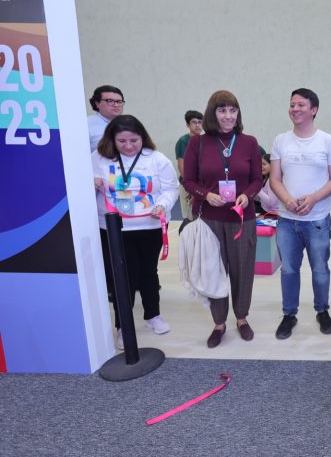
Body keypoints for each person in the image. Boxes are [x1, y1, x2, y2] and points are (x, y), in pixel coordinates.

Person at [182, 90, 263, 348]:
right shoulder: (198, 143)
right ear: (212, 113)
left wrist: (247, 196)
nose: (228, 115)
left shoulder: (249, 142)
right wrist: (205, 195)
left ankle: (241, 318)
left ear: (238, 113)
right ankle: (219, 323)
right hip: (209, 219)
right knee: (213, 271)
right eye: (222, 110)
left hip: (242, 217)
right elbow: (189, 180)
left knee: (242, 271)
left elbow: (257, 180)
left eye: (232, 110)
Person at [92, 115, 178, 349]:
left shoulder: (157, 159)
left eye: (134, 140)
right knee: (123, 278)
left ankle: (152, 315)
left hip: (149, 226)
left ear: (143, 137)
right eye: (122, 141)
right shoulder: (98, 159)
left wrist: (163, 204)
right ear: (112, 139)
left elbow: (170, 188)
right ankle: (123, 326)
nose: (128, 146)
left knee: (149, 272)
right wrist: (93, 183)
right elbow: (81, 185)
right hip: (114, 228)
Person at [270, 88, 331, 340]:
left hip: (318, 220)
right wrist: (287, 200)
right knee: (289, 269)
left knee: (320, 268)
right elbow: (275, 178)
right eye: (292, 104)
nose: (295, 109)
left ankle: (322, 310)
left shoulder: (327, 140)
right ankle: (289, 314)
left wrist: (313, 199)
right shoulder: (280, 140)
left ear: (313, 110)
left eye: (301, 105)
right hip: (287, 220)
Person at [175, 110, 204, 222]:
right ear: (188, 125)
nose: (197, 125)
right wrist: (192, 189)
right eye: (194, 122)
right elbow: (182, 167)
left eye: (200, 122)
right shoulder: (183, 141)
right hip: (189, 186)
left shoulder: (204, 140)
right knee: (190, 217)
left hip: (202, 186)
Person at [87, 85, 125, 152]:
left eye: (119, 102)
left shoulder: (128, 124)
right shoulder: (86, 124)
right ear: (97, 103)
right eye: (110, 101)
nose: (116, 105)